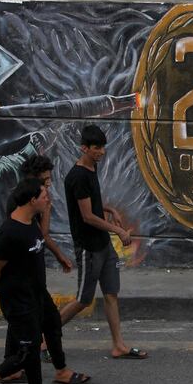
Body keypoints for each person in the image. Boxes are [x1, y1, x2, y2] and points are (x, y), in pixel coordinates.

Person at [0, 178, 90, 384]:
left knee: (53, 325)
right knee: (26, 350)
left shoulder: (31, 223)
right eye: (44, 195)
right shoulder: (10, 232)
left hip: (37, 292)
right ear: (32, 200)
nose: (48, 198)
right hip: (19, 299)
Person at [60, 125, 148, 359]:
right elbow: (87, 217)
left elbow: (92, 206)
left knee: (111, 293)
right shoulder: (78, 177)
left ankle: (118, 345)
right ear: (84, 148)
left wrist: (109, 209)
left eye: (103, 147)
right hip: (89, 246)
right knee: (83, 300)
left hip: (103, 244)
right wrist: (118, 230)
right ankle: (43, 337)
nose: (101, 152)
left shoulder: (91, 168)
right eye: (96, 148)